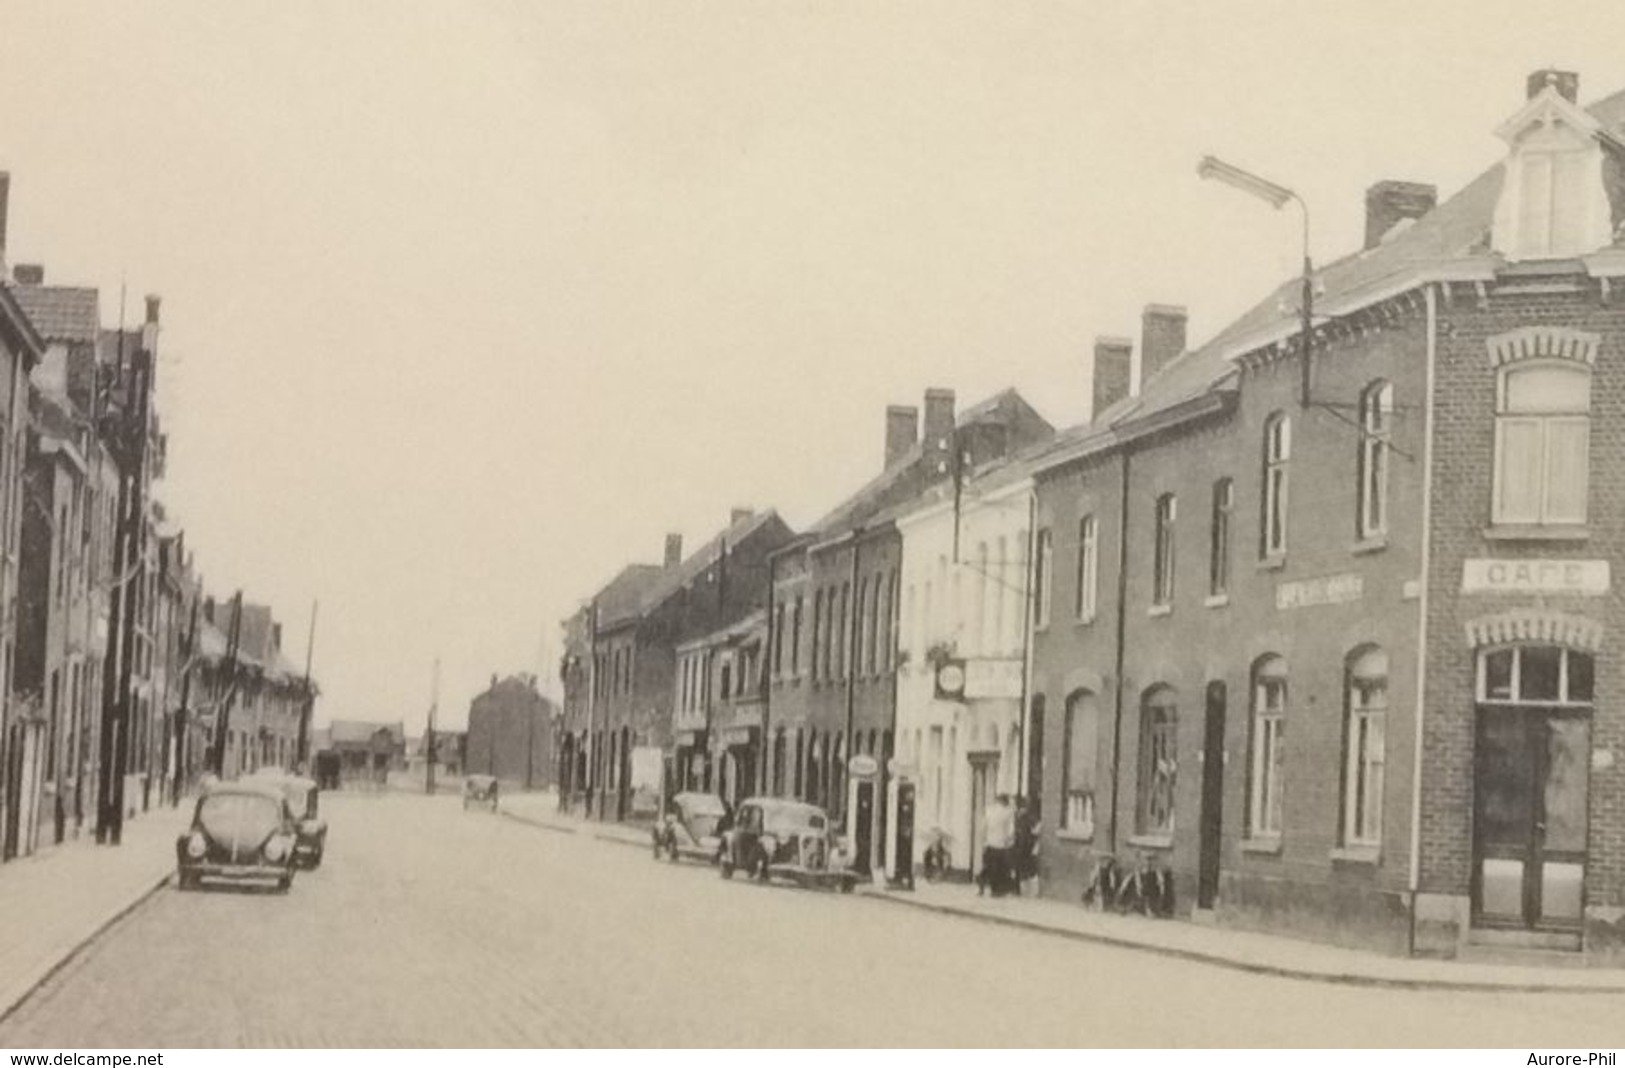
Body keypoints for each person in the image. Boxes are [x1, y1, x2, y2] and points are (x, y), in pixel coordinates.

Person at [980, 793, 1016, 898]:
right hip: (1001, 844)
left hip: (989, 843)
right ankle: (996, 890)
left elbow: (983, 827)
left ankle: (981, 887)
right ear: (1005, 802)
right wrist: (1009, 841)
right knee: (1000, 868)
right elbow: (1011, 830)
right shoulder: (1008, 812)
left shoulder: (989, 810)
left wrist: (984, 841)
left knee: (987, 867)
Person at [1013, 798, 1039, 896]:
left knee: (1023, 868)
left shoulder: (1023, 817)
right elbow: (1035, 830)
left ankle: (1021, 889)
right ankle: (1022, 889)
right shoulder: (1022, 817)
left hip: (1024, 846)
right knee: (1024, 868)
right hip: (1024, 846)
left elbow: (1035, 830)